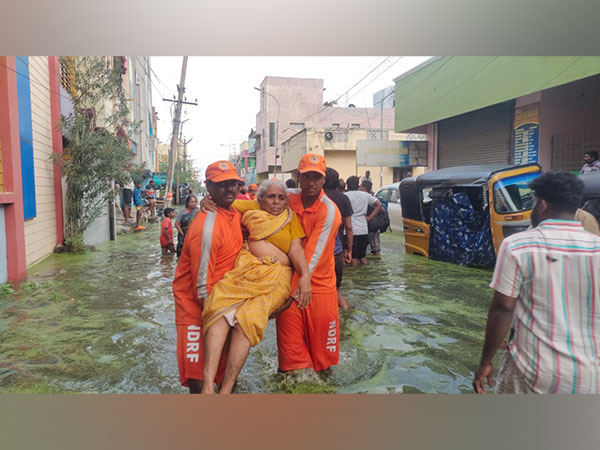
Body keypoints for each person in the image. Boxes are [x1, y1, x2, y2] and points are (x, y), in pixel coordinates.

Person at [473, 171, 600, 394]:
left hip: (532, 371)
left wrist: (485, 362)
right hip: (590, 376)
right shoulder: (596, 248)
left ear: (541, 204)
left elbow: (503, 308)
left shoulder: (518, 246)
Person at [200, 179, 312, 394]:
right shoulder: (249, 207)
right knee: (220, 306)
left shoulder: (290, 218)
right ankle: (207, 385)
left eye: (281, 198)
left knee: (248, 321)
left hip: (278, 276)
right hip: (247, 269)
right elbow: (224, 202)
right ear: (260, 198)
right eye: (271, 197)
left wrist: (305, 275)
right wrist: (205, 201)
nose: (276, 202)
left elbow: (296, 248)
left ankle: (227, 388)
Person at [172, 160, 245, 393]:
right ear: (209, 187)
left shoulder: (233, 213)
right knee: (200, 384)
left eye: (233, 183)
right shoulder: (207, 225)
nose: (230, 189)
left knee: (224, 380)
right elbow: (201, 288)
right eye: (222, 184)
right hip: (196, 309)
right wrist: (226, 318)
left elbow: (276, 202)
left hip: (222, 306)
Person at [276, 154, 342, 376]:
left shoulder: (330, 211)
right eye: (306, 177)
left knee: (323, 363)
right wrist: (209, 202)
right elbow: (256, 202)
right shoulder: (288, 198)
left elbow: (314, 254)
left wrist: (299, 284)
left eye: (317, 177)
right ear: (298, 177)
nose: (311, 182)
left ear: (324, 180)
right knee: (290, 364)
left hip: (319, 287)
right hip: (290, 284)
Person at [324, 167, 354, 310]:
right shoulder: (343, 198)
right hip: (337, 250)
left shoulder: (315, 197)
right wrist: (349, 249)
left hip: (318, 253)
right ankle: (345, 312)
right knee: (335, 288)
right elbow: (348, 227)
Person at [344, 176, 382, 266]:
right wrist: (369, 218)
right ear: (357, 185)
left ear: (347, 185)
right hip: (363, 228)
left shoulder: (345, 196)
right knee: (362, 256)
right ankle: (365, 275)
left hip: (349, 230)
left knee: (353, 257)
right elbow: (378, 205)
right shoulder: (365, 195)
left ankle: (356, 276)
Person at [361, 179, 381, 256]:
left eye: (361, 186)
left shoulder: (369, 198)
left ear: (364, 187)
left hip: (371, 226)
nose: (359, 188)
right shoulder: (372, 196)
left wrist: (369, 218)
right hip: (369, 226)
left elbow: (381, 208)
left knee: (375, 249)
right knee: (374, 248)